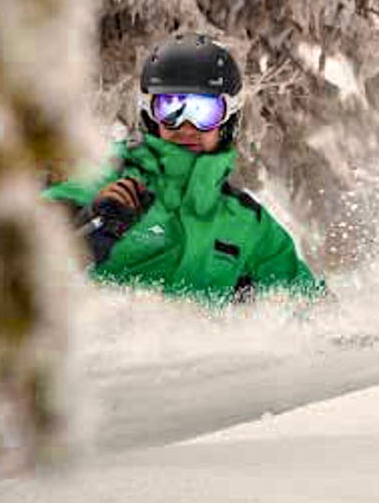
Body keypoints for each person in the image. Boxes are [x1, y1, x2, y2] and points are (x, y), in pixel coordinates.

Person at [45, 33, 323, 303]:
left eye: (204, 111)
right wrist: (88, 229)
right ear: (150, 114)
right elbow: (28, 247)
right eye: (171, 109)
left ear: (228, 119)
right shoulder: (102, 172)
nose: (187, 126)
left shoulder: (247, 223)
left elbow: (316, 312)